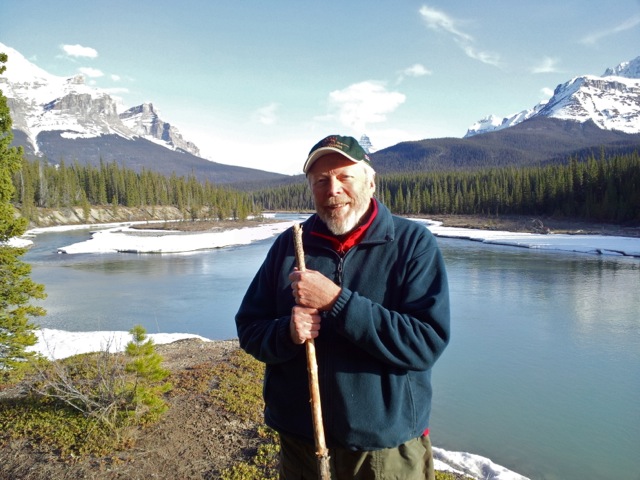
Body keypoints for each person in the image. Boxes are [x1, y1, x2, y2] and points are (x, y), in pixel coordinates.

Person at [235, 134, 450, 479]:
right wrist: (286, 332)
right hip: (302, 444)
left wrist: (336, 301)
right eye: (320, 180)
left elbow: (424, 343)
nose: (332, 189)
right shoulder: (290, 246)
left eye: (345, 176)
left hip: (383, 449)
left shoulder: (412, 244)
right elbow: (249, 328)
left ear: (370, 182)